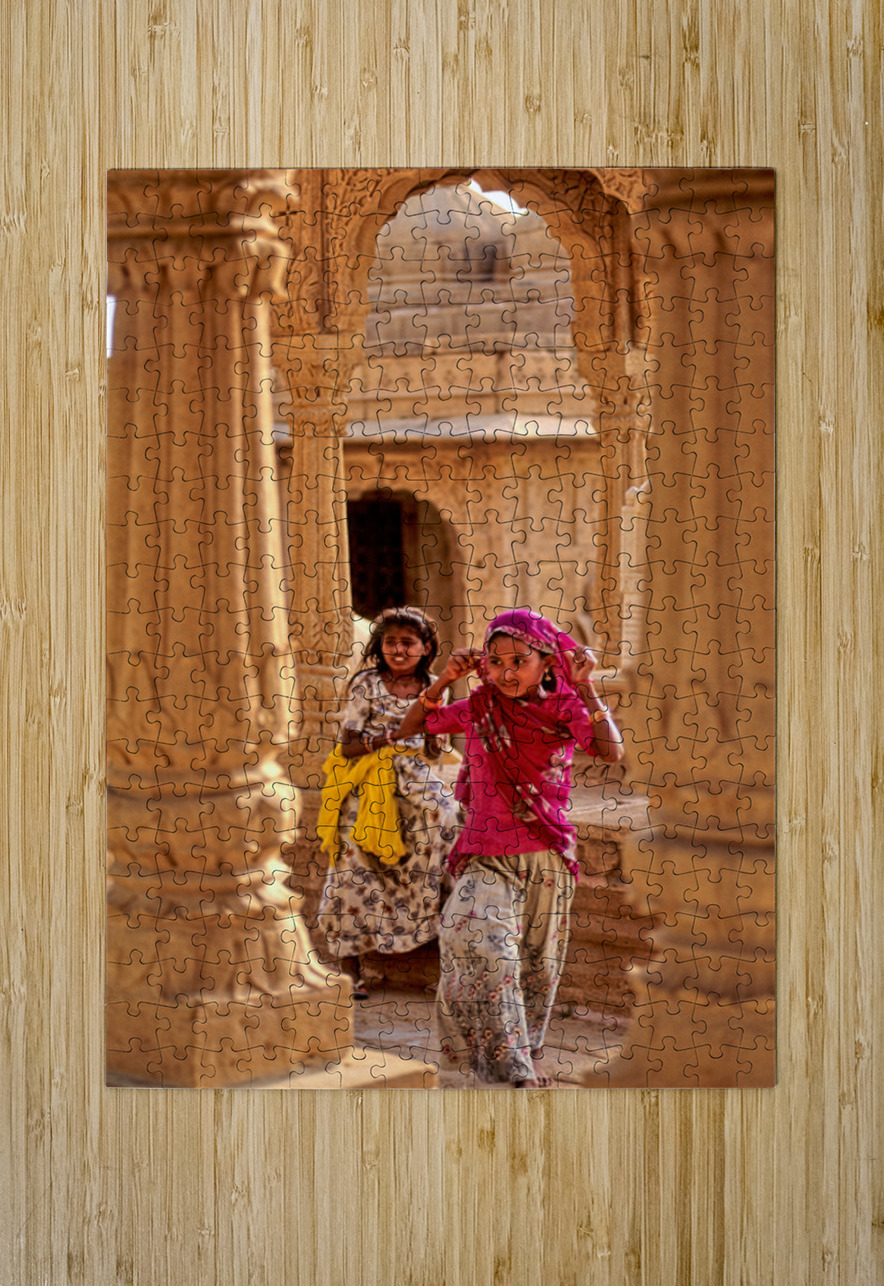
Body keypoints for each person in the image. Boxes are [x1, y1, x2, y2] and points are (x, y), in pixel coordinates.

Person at [397, 608, 624, 1087]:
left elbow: (610, 750)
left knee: (538, 966)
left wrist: (587, 686)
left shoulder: (563, 707)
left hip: (546, 855)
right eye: (496, 662)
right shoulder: (481, 707)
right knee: (475, 939)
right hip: (486, 854)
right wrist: (444, 679)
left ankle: (529, 1051)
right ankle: (509, 1063)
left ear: (545, 661)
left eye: (519, 661)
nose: (506, 673)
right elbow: (410, 727)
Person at [316, 607, 459, 999]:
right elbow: (347, 746)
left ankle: (447, 955)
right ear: (379, 646)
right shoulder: (365, 683)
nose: (398, 649)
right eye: (390, 642)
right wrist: (386, 741)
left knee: (448, 829)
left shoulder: (434, 685)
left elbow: (436, 745)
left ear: (425, 647)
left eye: (407, 642)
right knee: (350, 859)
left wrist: (435, 734)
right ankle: (352, 968)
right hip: (367, 778)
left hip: (415, 778)